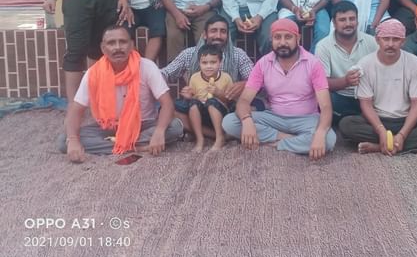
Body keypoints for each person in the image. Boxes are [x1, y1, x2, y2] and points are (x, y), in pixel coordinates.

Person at [58, 26, 183, 162]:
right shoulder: (93, 73)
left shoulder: (147, 67)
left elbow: (167, 104)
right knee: (64, 140)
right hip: (108, 127)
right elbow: (76, 110)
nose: (117, 47)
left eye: (122, 42)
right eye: (111, 43)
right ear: (103, 48)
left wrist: (159, 132)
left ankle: (116, 145)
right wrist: (73, 140)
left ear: (131, 45)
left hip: (143, 125)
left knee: (175, 127)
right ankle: (135, 147)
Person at [222, 19, 337, 158]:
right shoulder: (263, 63)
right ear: (271, 40)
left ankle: (278, 143)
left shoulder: (313, 63)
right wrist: (247, 121)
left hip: (307, 119)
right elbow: (244, 100)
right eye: (277, 37)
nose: (282, 42)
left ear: (298, 38)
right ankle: (288, 138)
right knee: (229, 122)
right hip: (274, 118)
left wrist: (320, 134)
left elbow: (326, 107)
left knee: (329, 140)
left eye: (288, 37)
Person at [339, 19, 417, 155]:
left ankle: (380, 146)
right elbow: (366, 105)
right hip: (378, 120)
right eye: (386, 39)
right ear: (377, 40)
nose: (390, 44)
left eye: (396, 39)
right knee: (346, 124)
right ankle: (404, 145)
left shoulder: (415, 63)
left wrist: (403, 134)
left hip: (406, 120)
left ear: (403, 41)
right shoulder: (365, 64)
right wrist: (381, 131)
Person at [162, 14, 264, 139]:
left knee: (257, 107)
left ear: (228, 35)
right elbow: (165, 73)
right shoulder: (189, 54)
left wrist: (244, 84)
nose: (218, 36)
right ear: (205, 34)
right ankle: (219, 135)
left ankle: (204, 132)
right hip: (197, 106)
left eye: (223, 32)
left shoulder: (238, 54)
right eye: (213, 31)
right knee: (168, 110)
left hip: (228, 107)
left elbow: (258, 80)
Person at [315, 0, 378, 123]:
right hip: (339, 97)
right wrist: (346, 81)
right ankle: (359, 121)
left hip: (368, 96)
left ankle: (358, 121)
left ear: (357, 21)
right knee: (322, 98)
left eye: (352, 19)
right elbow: (322, 82)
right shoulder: (323, 46)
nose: (348, 24)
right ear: (334, 23)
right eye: (342, 20)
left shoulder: (372, 42)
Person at [183, 44, 233, 151]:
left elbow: (230, 101)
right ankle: (200, 139)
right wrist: (189, 96)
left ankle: (220, 138)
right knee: (193, 104)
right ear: (199, 63)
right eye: (204, 63)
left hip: (219, 113)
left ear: (220, 62)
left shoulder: (226, 78)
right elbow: (193, 97)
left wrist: (218, 93)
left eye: (213, 62)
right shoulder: (195, 78)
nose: (209, 66)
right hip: (202, 115)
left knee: (211, 102)